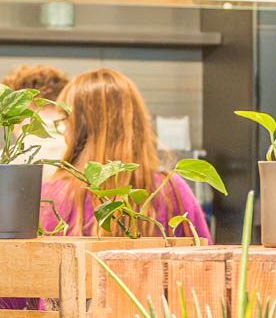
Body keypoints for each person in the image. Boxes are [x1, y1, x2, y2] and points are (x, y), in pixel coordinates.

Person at [43, 68, 212, 240]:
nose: (64, 132)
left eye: (65, 121)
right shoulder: (171, 189)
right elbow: (207, 254)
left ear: (78, 129)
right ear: (137, 122)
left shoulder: (52, 197)